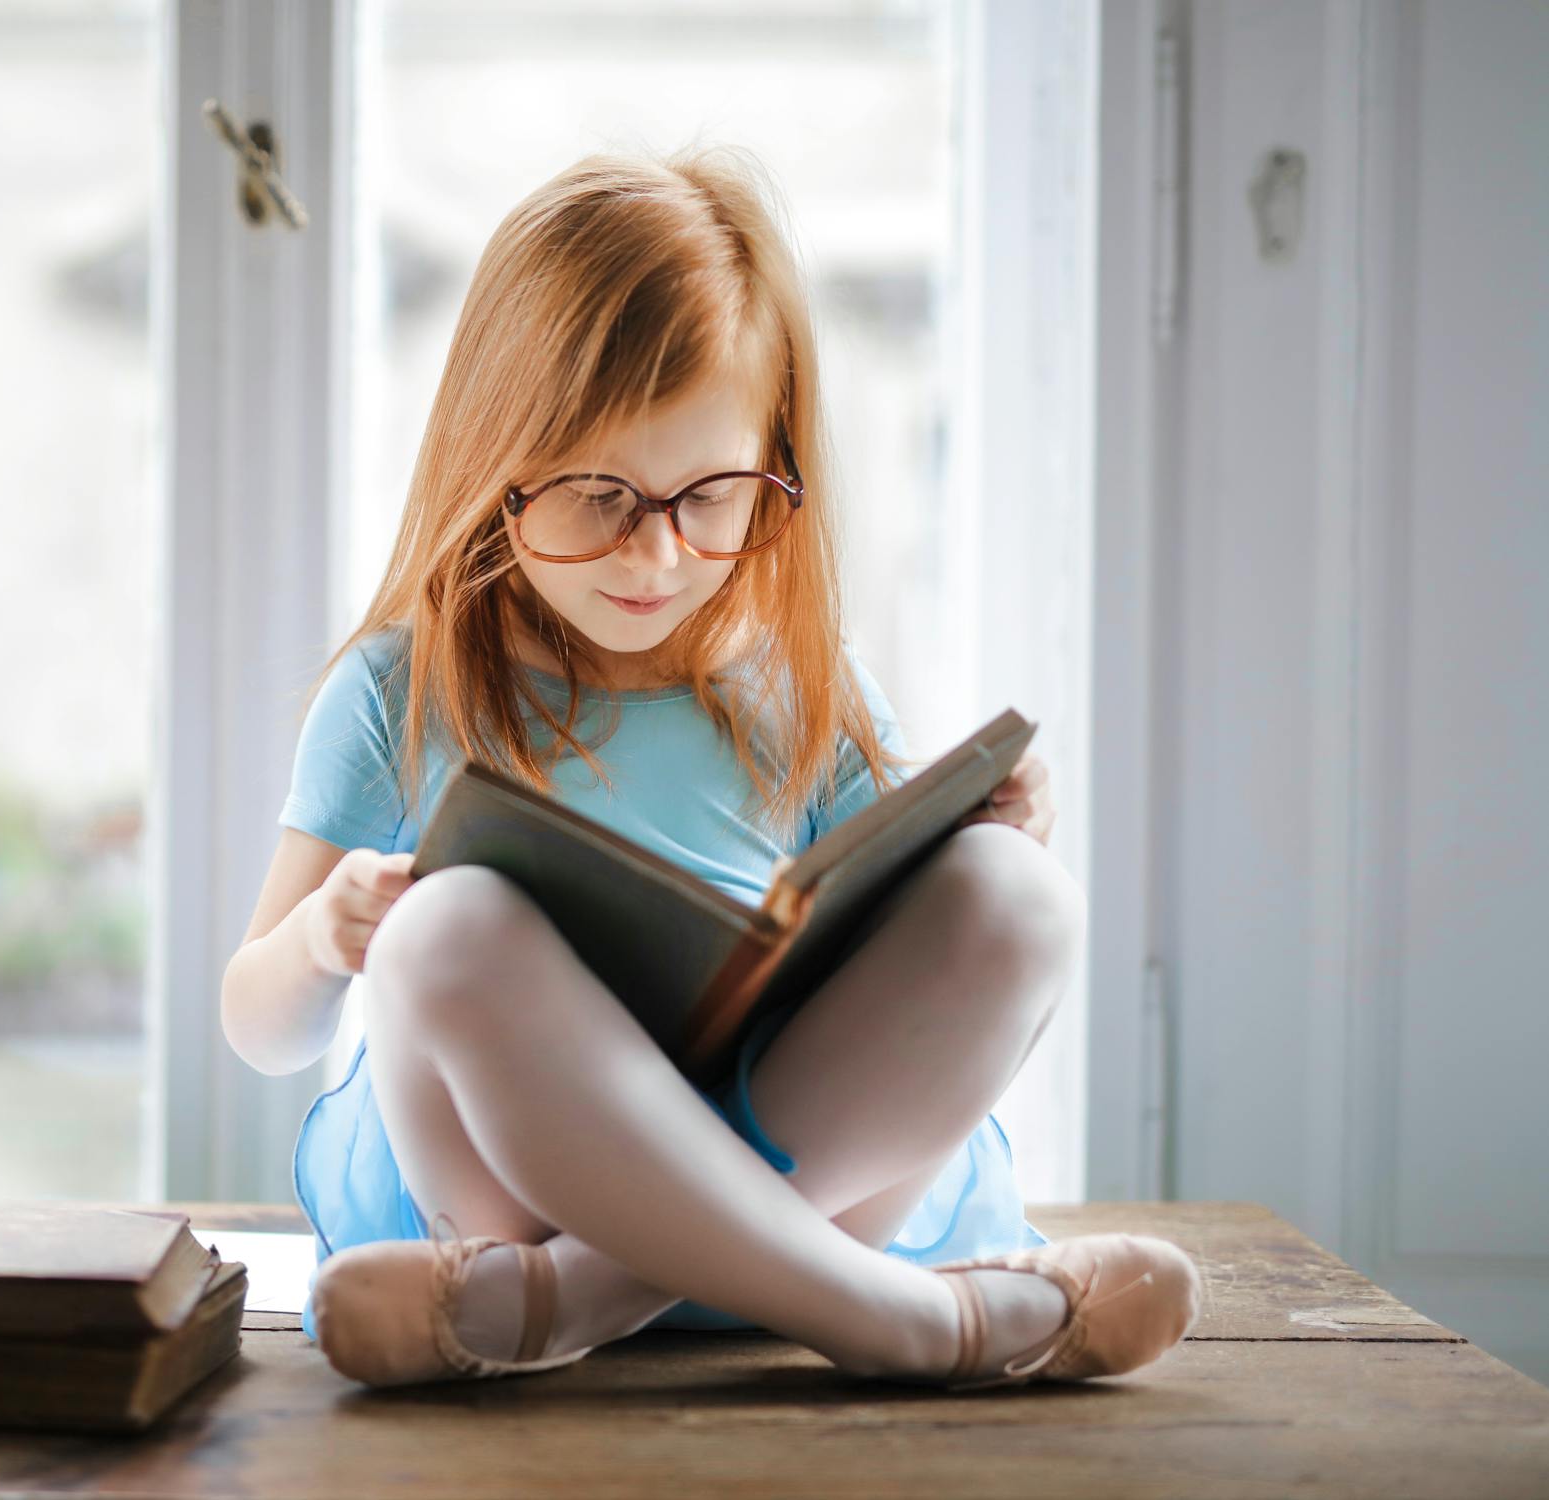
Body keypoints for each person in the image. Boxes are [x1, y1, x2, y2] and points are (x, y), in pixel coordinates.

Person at [220, 146, 1199, 1391]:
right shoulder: (401, 689)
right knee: (441, 931)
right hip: (505, 1200)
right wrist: (322, 939)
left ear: (772, 470)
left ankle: (585, 1299)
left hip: (769, 1195)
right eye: (595, 497)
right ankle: (907, 1324)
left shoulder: (799, 681)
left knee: (1018, 895)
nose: (659, 556)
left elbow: (916, 940)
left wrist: (993, 830)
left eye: (713, 497)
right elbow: (256, 1028)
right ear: (494, 463)